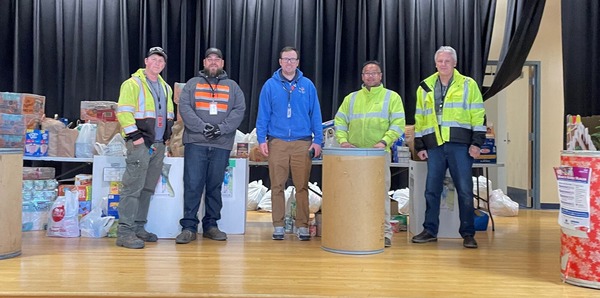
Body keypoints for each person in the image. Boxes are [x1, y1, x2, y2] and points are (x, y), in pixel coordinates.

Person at [411, 46, 486, 249]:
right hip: (434, 145)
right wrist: (419, 145)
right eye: (440, 61)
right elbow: (420, 117)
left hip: (460, 145)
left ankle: (468, 233)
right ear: (435, 63)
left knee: (465, 190)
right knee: (431, 191)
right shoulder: (425, 86)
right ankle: (429, 230)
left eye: (447, 61)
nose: (443, 64)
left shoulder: (468, 85)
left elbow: (478, 114)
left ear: (455, 63)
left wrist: (477, 143)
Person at [175, 47, 246, 244]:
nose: (213, 62)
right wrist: (203, 127)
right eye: (209, 59)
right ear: (204, 63)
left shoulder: (233, 87)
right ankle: (188, 227)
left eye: (217, 59)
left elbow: (239, 110)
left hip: (221, 144)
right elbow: (185, 107)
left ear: (222, 63)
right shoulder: (192, 84)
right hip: (196, 143)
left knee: (214, 186)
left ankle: (211, 225)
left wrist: (220, 129)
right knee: (192, 185)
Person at [334, 60, 406, 248]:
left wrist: (384, 142)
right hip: (353, 155)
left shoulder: (392, 98)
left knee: (379, 195)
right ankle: (354, 230)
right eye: (367, 73)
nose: (371, 76)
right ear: (362, 77)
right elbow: (339, 122)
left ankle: (384, 234)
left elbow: (398, 124)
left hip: (379, 154)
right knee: (352, 194)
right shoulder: (351, 99)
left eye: (374, 73)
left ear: (381, 76)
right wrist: (343, 141)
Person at [256, 46, 323, 241]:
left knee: (301, 186)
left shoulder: (307, 85)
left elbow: (315, 115)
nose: (289, 63)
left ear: (298, 62)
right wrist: (262, 139)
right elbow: (263, 115)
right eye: (286, 59)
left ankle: (302, 225)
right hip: (277, 142)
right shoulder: (270, 85)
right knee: (277, 186)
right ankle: (278, 225)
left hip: (302, 142)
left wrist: (317, 140)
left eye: (293, 59)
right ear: (280, 62)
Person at [115, 46, 175, 249]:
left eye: (161, 61)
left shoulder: (166, 87)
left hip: (158, 145)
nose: (157, 63)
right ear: (146, 61)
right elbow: (123, 112)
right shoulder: (132, 84)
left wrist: (166, 138)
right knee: (132, 188)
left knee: (147, 189)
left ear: (164, 65)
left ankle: (139, 227)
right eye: (154, 59)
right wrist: (136, 137)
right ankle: (125, 232)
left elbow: (168, 115)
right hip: (140, 144)